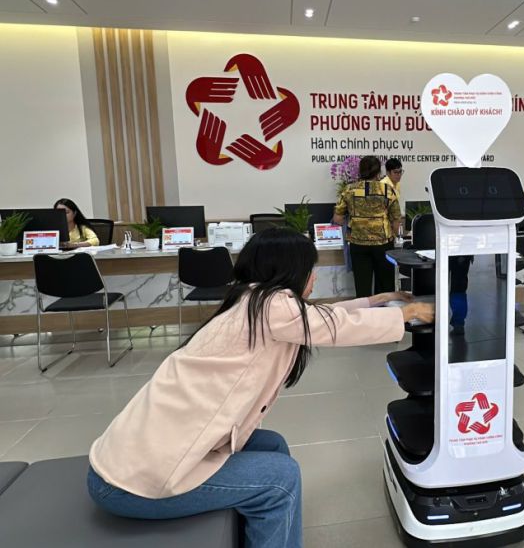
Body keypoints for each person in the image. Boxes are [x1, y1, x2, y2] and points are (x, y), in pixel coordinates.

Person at [87, 228, 434, 548]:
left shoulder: (253, 301)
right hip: (130, 483)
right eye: (310, 269)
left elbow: (318, 318)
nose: (313, 278)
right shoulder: (271, 307)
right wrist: (406, 314)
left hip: (143, 455)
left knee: (273, 446)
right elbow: (332, 327)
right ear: (291, 272)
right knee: (281, 478)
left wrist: (377, 301)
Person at [333, 156, 402, 298]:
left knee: (362, 287)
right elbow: (396, 219)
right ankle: (384, 317)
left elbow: (337, 219)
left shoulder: (349, 190)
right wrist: (394, 235)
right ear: (378, 172)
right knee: (385, 287)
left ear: (360, 171)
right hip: (383, 244)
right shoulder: (387, 190)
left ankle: (364, 318)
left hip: (358, 245)